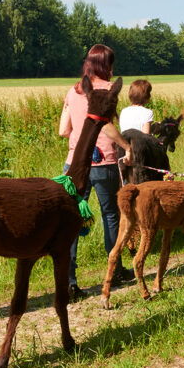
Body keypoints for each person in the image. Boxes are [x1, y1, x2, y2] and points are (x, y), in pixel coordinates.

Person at [59, 44, 133, 299]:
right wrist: (126, 146)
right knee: (111, 215)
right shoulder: (108, 90)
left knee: (72, 220)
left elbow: (63, 130)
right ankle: (117, 269)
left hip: (74, 164)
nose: (113, 70)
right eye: (111, 64)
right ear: (106, 66)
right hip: (103, 162)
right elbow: (106, 127)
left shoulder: (74, 90)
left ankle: (69, 280)